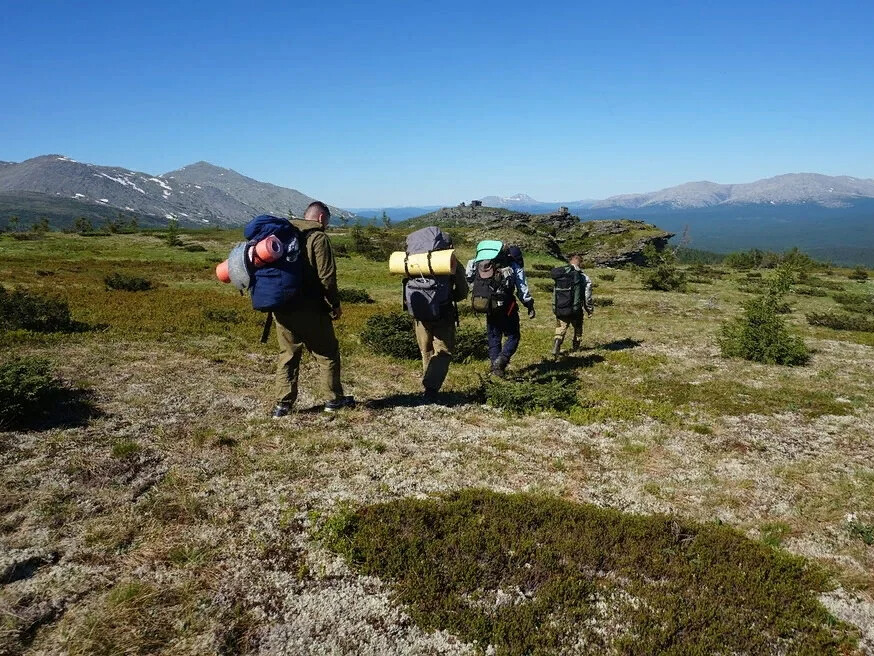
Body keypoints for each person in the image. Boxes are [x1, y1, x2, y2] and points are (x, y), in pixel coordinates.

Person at [271, 201, 353, 417]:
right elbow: (327, 277)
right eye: (327, 220)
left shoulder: (282, 235)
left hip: (281, 307)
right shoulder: (318, 237)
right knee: (326, 353)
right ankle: (333, 400)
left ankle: (282, 405)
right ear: (320, 218)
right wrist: (334, 304)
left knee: (288, 354)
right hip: (310, 307)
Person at [402, 226, 469, 403]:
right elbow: (462, 291)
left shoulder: (415, 261)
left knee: (426, 350)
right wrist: (448, 297)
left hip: (419, 313)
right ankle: (431, 388)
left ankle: (428, 386)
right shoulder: (449, 262)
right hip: (443, 312)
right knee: (443, 351)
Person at [466, 243, 535, 378]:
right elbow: (522, 288)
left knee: (493, 336)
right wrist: (529, 304)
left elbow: (468, 277)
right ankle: (501, 361)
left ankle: (495, 367)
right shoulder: (513, 265)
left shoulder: (478, 263)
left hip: (488, 306)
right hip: (507, 306)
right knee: (513, 335)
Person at [551, 254, 594, 357]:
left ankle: (557, 343)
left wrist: (554, 306)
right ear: (580, 263)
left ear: (570, 261)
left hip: (561, 306)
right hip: (576, 308)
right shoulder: (582, 276)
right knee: (578, 327)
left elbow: (554, 292)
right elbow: (587, 295)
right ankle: (576, 347)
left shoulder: (560, 274)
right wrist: (589, 309)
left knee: (561, 327)